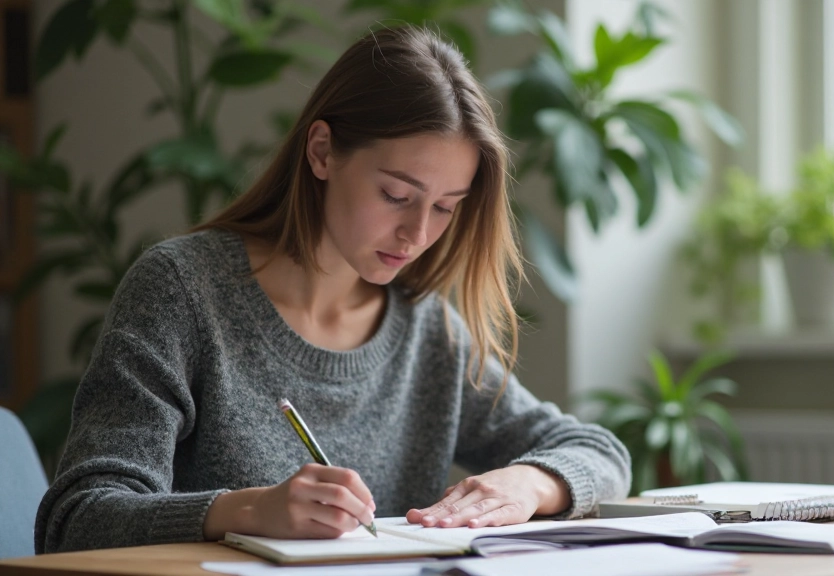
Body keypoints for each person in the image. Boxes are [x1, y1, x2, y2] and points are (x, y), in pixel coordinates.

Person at [35, 26, 630, 553]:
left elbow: (599, 452)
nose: (418, 233)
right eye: (396, 195)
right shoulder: (182, 291)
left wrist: (529, 482)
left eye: (446, 207)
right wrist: (249, 511)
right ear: (322, 152)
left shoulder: (426, 328)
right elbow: (77, 519)